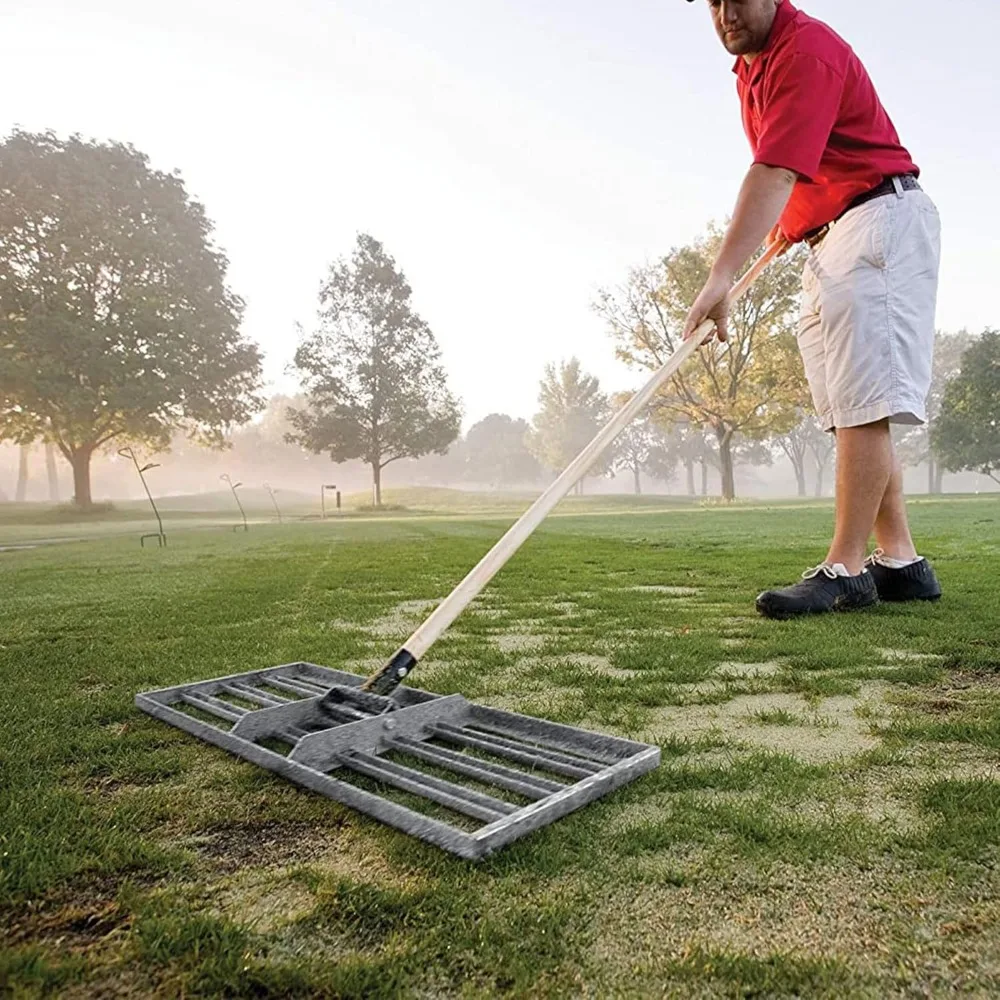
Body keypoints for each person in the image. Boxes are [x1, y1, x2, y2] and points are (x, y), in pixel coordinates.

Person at [681, 0, 943, 619]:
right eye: (710, 2)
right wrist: (789, 227)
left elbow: (775, 168)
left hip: (877, 218)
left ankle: (846, 569)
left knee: (863, 399)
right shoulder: (753, 65)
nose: (724, 13)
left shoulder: (806, 52)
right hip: (828, 234)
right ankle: (900, 560)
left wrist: (721, 276)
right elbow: (797, 175)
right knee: (846, 406)